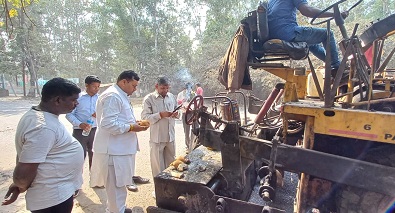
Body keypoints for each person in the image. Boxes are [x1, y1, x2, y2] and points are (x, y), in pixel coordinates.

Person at [2, 78, 83, 213]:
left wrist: (19, 184)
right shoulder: (43, 127)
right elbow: (23, 173)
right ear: (57, 100)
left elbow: (26, 153)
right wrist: (19, 184)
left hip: (55, 195)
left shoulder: (41, 117)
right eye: (73, 100)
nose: (77, 103)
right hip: (51, 199)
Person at [89, 70, 149, 213]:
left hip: (120, 150)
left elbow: (119, 119)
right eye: (134, 85)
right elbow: (108, 124)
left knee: (119, 187)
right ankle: (117, 210)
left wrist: (134, 123)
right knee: (116, 190)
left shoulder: (119, 95)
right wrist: (131, 127)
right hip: (113, 152)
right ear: (124, 82)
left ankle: (118, 209)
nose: (135, 89)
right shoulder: (113, 96)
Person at [267, 0, 348, 75]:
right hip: (287, 32)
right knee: (327, 34)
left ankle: (332, 64)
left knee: (312, 44)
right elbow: (307, 11)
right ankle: (337, 69)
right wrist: (334, 14)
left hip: (276, 34)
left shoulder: (271, 1)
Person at [141, 77, 179, 179]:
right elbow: (145, 119)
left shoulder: (171, 97)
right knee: (158, 167)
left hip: (170, 137)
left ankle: (171, 189)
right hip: (157, 138)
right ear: (156, 86)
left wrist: (176, 114)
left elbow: (177, 110)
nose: (165, 91)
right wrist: (160, 115)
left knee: (172, 165)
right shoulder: (149, 99)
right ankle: (159, 191)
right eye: (162, 88)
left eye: (167, 88)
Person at [66, 75, 101, 171]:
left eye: (98, 87)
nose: (96, 89)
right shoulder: (78, 98)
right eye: (94, 86)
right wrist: (79, 124)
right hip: (80, 131)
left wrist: (100, 114)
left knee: (95, 154)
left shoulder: (100, 99)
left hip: (95, 130)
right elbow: (69, 114)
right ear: (87, 85)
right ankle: (76, 181)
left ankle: (94, 180)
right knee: (79, 155)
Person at [177, 82, 196, 152]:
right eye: (188, 87)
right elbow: (178, 103)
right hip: (185, 113)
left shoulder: (193, 94)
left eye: (190, 87)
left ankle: (193, 144)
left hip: (193, 113)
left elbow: (197, 102)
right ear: (185, 88)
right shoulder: (181, 94)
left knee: (195, 129)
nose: (189, 89)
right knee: (186, 130)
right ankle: (188, 145)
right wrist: (182, 101)